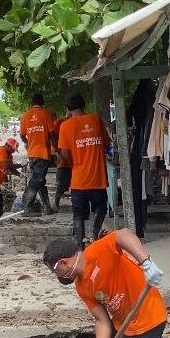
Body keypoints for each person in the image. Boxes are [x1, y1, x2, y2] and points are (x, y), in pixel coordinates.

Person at [44, 230, 166, 338]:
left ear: (63, 263)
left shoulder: (97, 251)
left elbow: (123, 234)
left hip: (148, 319)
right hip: (123, 326)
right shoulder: (81, 287)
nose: (57, 275)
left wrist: (146, 262)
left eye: (55, 271)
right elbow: (102, 320)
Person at [57, 92, 110, 248]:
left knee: (78, 215)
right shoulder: (96, 119)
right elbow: (106, 144)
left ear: (68, 108)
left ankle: (80, 247)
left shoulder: (65, 126)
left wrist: (75, 161)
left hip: (78, 181)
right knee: (100, 209)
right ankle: (93, 236)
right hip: (98, 179)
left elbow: (64, 152)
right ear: (84, 104)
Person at [19, 93, 54, 214]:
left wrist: (28, 142)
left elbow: (22, 135)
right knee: (36, 180)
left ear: (31, 103)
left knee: (40, 180)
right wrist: (57, 149)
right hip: (42, 153)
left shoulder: (25, 116)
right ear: (43, 102)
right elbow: (51, 134)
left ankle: (46, 207)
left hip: (32, 153)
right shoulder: (46, 114)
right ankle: (26, 205)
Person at [52, 112, 71, 210]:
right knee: (61, 184)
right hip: (64, 161)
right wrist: (58, 152)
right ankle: (56, 203)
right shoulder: (60, 123)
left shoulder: (62, 123)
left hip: (74, 161)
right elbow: (52, 136)